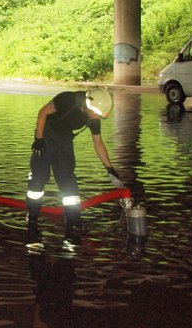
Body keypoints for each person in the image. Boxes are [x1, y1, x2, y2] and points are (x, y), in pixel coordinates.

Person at [25, 88, 122, 241]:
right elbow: (42, 112)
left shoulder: (93, 118)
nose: (97, 117)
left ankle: (73, 220)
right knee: (39, 177)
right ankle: (32, 216)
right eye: (96, 113)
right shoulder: (67, 99)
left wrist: (109, 168)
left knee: (67, 180)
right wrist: (39, 140)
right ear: (87, 106)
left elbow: (98, 143)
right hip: (47, 134)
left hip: (65, 140)